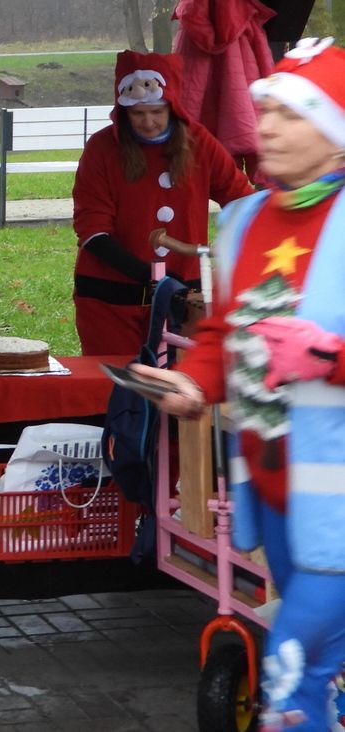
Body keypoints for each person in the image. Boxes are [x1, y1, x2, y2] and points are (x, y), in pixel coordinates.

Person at [132, 37, 345, 732]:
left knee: (289, 668)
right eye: (267, 110)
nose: (267, 127)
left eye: (292, 114)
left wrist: (329, 356)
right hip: (275, 490)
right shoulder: (243, 219)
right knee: (321, 673)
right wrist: (192, 386)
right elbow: (225, 333)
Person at [72, 51, 250, 357]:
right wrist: (151, 277)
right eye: (137, 113)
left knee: (183, 383)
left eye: (157, 111)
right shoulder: (101, 149)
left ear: (173, 107)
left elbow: (241, 198)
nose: (148, 122)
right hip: (110, 300)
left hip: (184, 299)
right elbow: (92, 229)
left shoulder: (199, 142)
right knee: (115, 382)